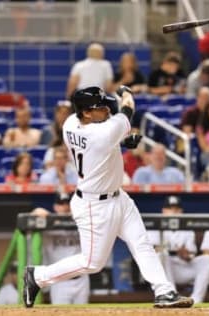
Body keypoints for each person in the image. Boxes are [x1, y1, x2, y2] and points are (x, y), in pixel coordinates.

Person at [23, 86, 193, 309]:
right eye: (100, 107)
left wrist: (121, 142)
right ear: (86, 113)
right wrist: (125, 92)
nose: (106, 109)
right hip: (95, 205)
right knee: (92, 263)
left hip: (118, 198)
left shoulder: (70, 124)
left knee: (142, 243)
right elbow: (127, 108)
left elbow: (104, 138)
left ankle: (164, 291)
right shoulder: (103, 133)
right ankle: (38, 276)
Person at [147, 196, 209, 304]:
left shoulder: (186, 227)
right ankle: (170, 295)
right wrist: (171, 250)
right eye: (170, 208)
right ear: (164, 211)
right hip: (166, 270)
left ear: (181, 211)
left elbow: (191, 253)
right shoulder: (156, 225)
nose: (174, 211)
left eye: (176, 209)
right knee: (162, 255)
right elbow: (152, 250)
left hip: (183, 266)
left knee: (208, 259)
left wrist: (187, 255)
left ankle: (197, 299)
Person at [31, 192, 90, 304]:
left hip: (81, 279)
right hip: (60, 281)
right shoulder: (48, 224)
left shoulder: (81, 222)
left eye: (67, 204)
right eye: (61, 204)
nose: (65, 207)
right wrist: (46, 214)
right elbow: (35, 213)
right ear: (55, 207)